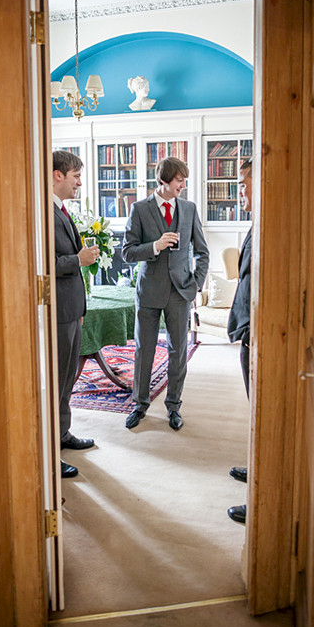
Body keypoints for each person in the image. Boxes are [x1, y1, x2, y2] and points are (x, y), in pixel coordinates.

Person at [122, 157, 209, 430]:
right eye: (179, 181)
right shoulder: (139, 209)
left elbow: (202, 252)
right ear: (163, 182)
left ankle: (174, 406)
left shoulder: (189, 208)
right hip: (149, 291)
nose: (183, 186)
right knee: (144, 350)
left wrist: (196, 284)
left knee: (178, 351)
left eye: (184, 181)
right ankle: (140, 404)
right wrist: (155, 246)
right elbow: (127, 252)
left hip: (181, 291)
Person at [53, 150, 100, 478]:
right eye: (75, 176)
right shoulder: (43, 212)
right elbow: (41, 265)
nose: (80, 182)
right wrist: (78, 260)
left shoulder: (63, 211)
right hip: (54, 313)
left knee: (68, 379)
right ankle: (50, 452)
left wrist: (80, 309)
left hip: (71, 311)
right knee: (55, 383)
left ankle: (63, 434)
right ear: (57, 175)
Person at [226, 158, 252, 524]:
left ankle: (263, 490)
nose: (241, 191)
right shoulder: (256, 223)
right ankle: (258, 467)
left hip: (260, 333)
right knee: (257, 409)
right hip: (251, 333)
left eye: (245, 184)